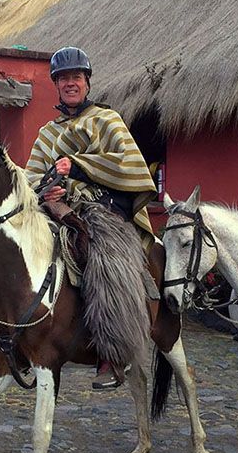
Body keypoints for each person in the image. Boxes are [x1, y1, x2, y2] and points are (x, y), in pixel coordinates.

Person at [25, 46, 159, 389]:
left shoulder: (107, 120)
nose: (71, 83)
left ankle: (112, 354)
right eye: (64, 78)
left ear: (86, 82)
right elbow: (30, 177)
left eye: (76, 77)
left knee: (104, 259)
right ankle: (20, 341)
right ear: (56, 84)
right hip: (55, 211)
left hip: (103, 208)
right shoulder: (46, 134)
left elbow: (130, 164)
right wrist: (46, 191)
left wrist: (79, 166)